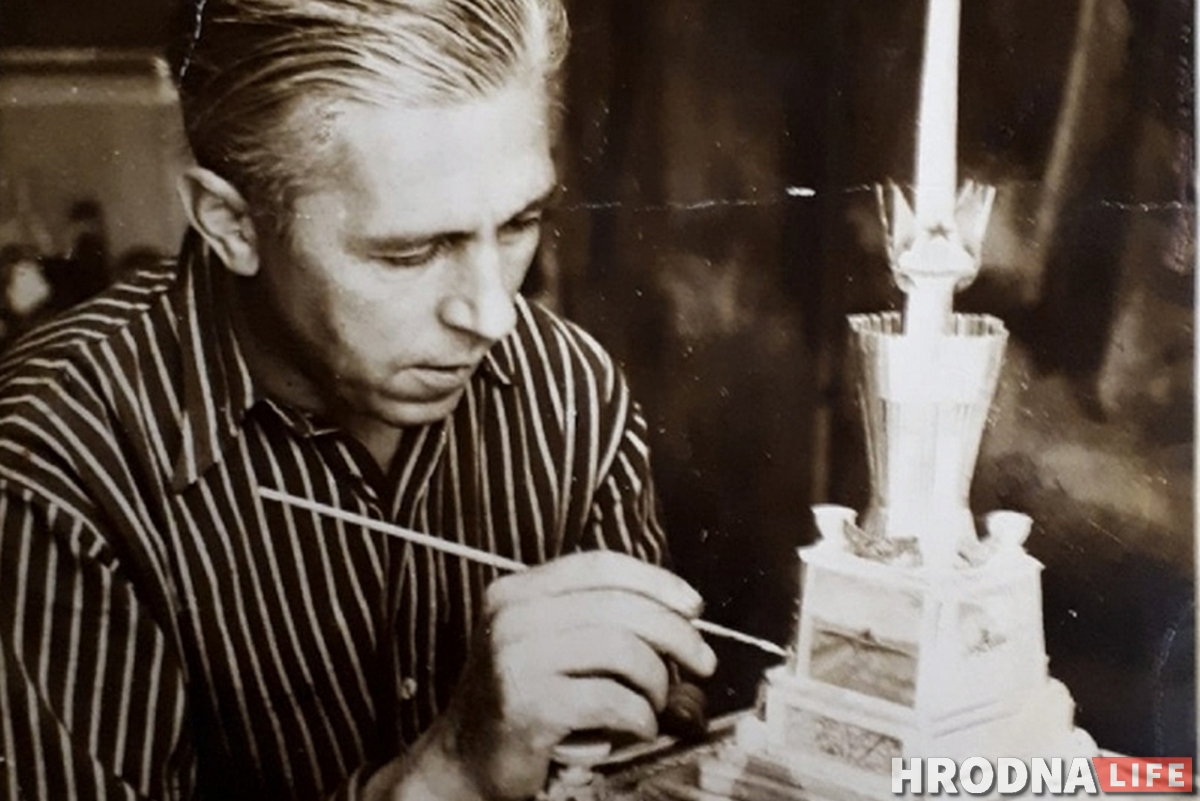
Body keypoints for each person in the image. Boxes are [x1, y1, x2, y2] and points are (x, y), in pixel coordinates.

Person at [0, 1, 717, 799]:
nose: (492, 315)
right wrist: (447, 773)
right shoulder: (52, 460)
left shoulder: (572, 394)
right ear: (231, 224)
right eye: (411, 252)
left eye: (520, 223)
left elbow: (654, 747)